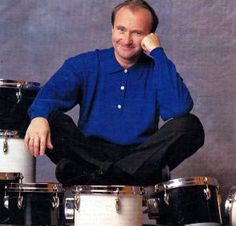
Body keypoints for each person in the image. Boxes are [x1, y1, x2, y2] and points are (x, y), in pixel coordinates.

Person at [24, 0, 204, 186]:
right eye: (121, 29)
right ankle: (117, 174)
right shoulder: (85, 64)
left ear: (150, 36)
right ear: (112, 29)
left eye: (137, 33)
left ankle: (99, 175)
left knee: (190, 126)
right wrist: (39, 117)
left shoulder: (158, 68)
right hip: (89, 152)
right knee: (48, 119)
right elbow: (47, 97)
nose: (126, 40)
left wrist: (157, 52)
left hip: (140, 156)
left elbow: (178, 109)